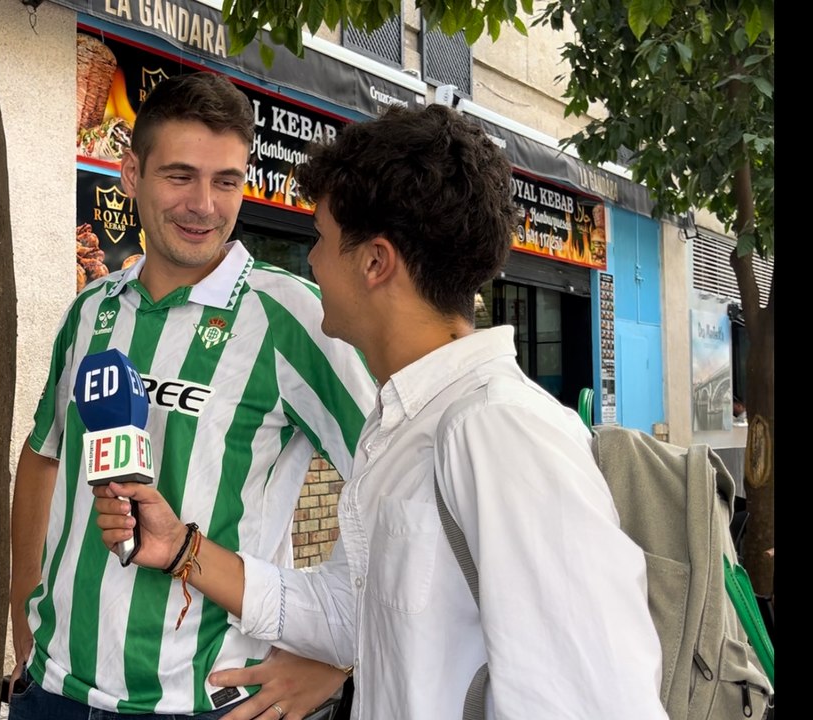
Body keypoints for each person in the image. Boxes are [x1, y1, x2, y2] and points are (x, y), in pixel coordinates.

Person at [94, 104, 669, 718]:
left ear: (374, 262)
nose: (309, 262)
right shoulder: (405, 424)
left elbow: (593, 699)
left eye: (321, 239)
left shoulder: (498, 429)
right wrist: (182, 548)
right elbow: (350, 613)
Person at [9, 72, 375, 719]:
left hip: (206, 702)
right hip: (54, 692)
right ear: (131, 174)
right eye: (180, 175)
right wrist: (25, 614)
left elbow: (395, 485)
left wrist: (337, 657)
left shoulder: (289, 316)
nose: (204, 203)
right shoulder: (90, 309)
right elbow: (43, 455)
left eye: (226, 181)